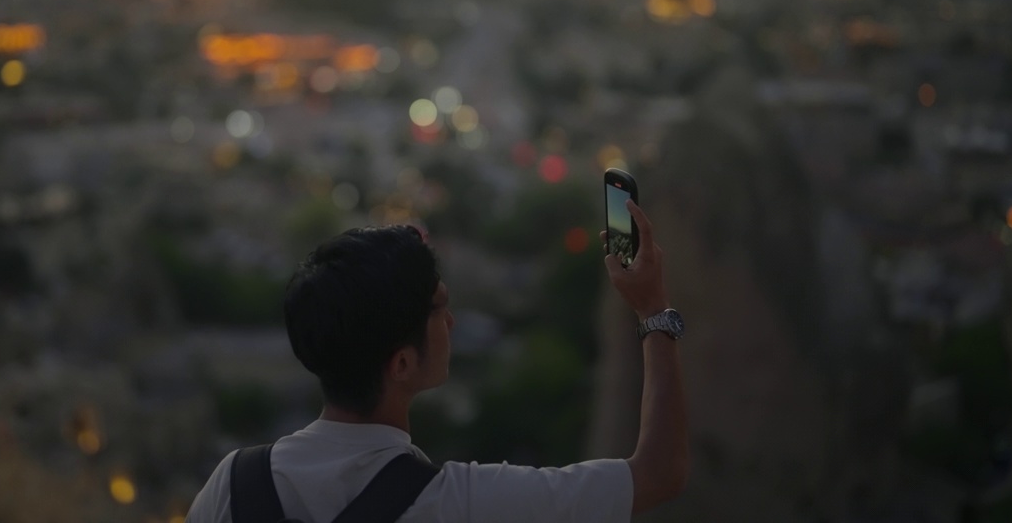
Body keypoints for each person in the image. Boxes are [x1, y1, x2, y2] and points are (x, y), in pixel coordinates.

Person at [186, 199, 687, 522]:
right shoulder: (464, 504)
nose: (451, 323)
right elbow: (658, 474)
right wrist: (652, 310)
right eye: (440, 308)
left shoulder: (232, 485)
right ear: (401, 364)